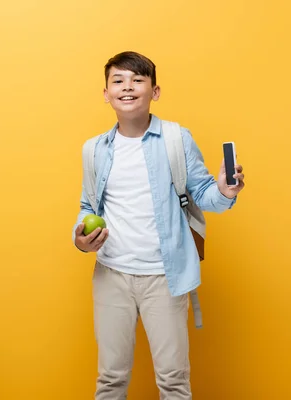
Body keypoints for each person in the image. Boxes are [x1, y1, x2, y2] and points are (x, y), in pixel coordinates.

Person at [73, 51, 245, 399]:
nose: (128, 88)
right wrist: (80, 239)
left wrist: (224, 190)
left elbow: (203, 194)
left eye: (138, 80)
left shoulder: (176, 139)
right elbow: (88, 206)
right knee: (110, 379)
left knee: (173, 380)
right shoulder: (94, 149)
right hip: (111, 275)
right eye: (118, 81)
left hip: (165, 277)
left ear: (155, 91)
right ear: (106, 93)